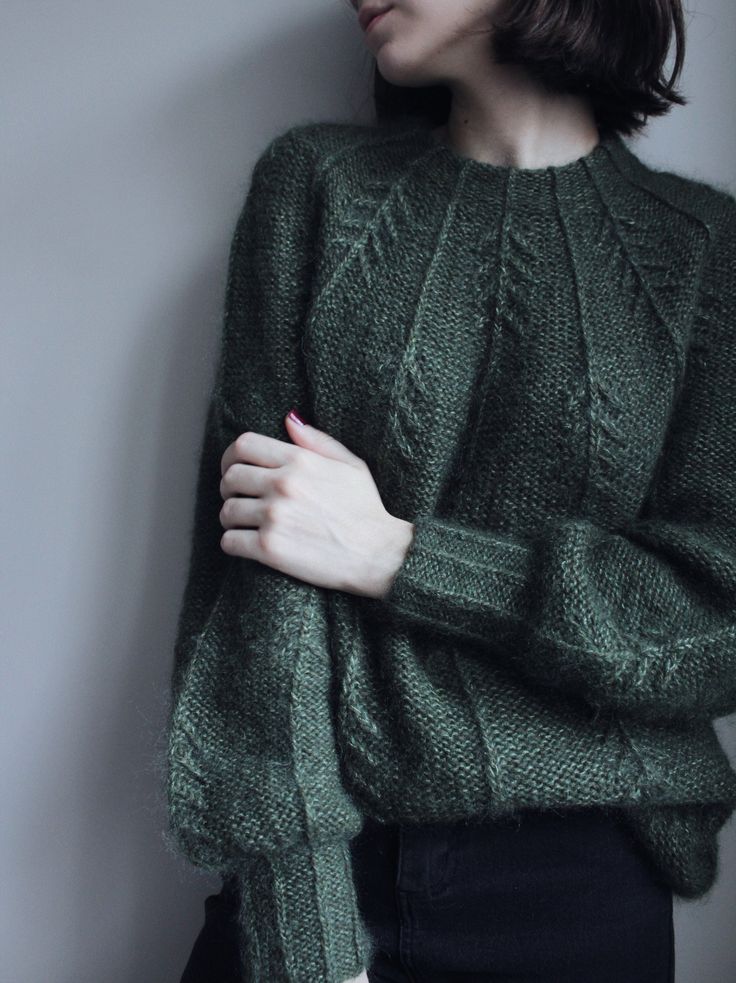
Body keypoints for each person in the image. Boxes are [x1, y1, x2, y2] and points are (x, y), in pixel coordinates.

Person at [169, 1, 736, 981]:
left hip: (577, 883)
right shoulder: (317, 187)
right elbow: (250, 586)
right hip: (326, 859)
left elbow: (717, 619)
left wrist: (397, 553)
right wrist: (305, 940)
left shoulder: (702, 250)